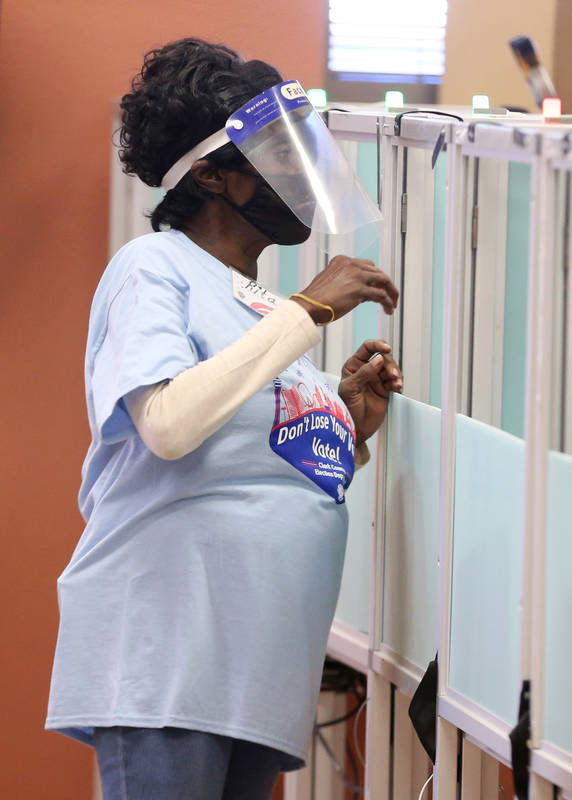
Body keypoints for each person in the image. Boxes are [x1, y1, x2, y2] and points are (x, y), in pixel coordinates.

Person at [45, 38, 403, 799]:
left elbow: (253, 461)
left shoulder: (260, 312)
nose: (298, 175)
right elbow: (170, 425)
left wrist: (346, 423)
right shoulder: (154, 268)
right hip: (169, 661)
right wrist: (308, 313)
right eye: (274, 153)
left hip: (252, 671)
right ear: (210, 173)